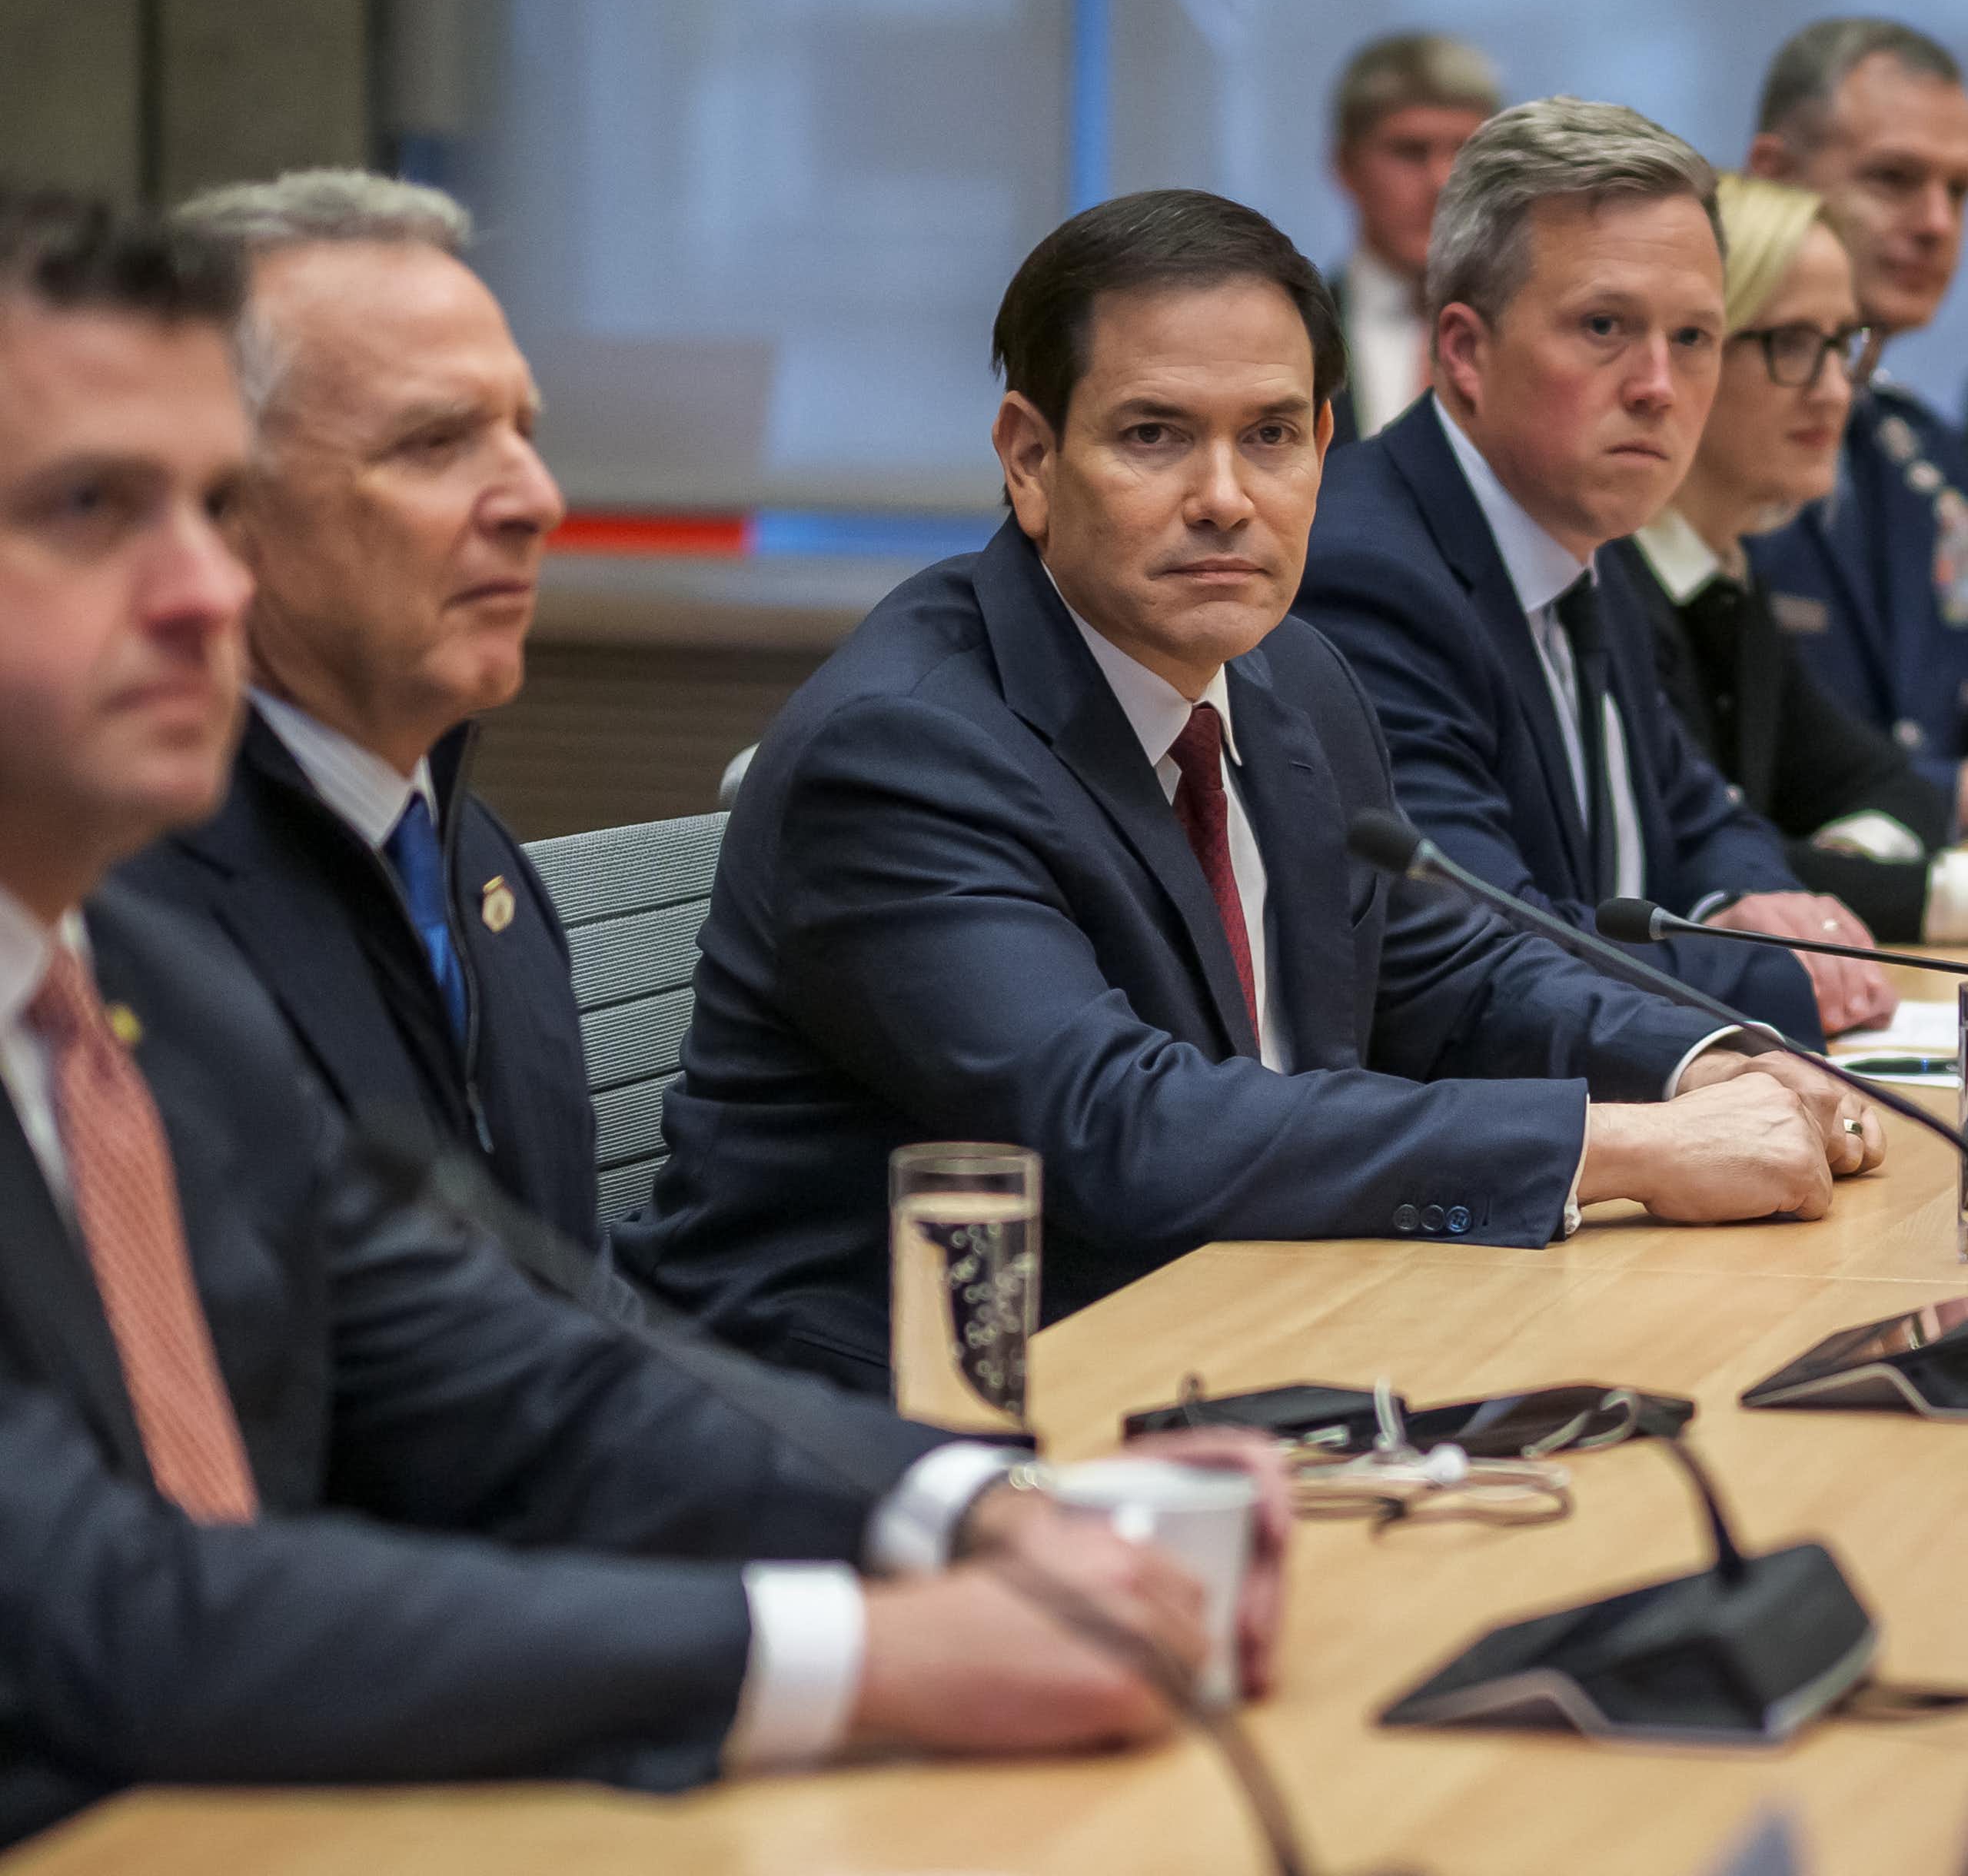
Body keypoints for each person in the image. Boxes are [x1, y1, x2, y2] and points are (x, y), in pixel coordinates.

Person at [0, 187, 1290, 1850]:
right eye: (99, 508)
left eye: (212, 503)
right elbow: (113, 1609)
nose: (201, 586)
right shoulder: (173, 933)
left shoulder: (129, 979)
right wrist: (860, 1652)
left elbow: (517, 1369)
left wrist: (984, 1508)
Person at [622, 185, 1880, 1393]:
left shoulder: (1286, 678)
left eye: (1270, 435)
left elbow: (1445, 980)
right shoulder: (905, 748)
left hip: (1245, 1325)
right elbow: (1119, 1128)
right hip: (900, 1409)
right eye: (1154, 434)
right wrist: (1620, 1148)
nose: (1225, 497)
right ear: (1030, 455)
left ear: (1325, 446)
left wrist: (1706, 1062)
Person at [1298, 98, 1897, 1046]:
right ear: (1464, 352)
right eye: (1605, 326)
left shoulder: (1585, 536)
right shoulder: (1370, 575)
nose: (1658, 386)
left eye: (1694, 337)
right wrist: (1768, 974)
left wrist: (1763, 899)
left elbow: (1703, 813)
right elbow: (1474, 956)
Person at [115, 172, 603, 1254]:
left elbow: (567, 1314)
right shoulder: (119, 912)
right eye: (435, 442)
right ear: (219, 506)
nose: (535, 499)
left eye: (524, 429)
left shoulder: (474, 850)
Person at [1608, 172, 1960, 945]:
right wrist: (1936, 893)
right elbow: (1676, 871)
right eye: (1792, 344)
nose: (1834, 390)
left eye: (1843, 346)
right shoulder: (1605, 591)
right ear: (1689, 352)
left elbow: (1891, 787)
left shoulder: (1726, 581)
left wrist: (1839, 857)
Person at [1744, 19, 1968, 810]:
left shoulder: (1933, 456)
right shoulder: (1683, 448)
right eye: (1893, 178)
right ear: (1774, 175)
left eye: (1957, 190)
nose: (1937, 224)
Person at [1327, 32, 1500, 447]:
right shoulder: (1294, 327)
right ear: (1346, 166)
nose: (1442, 180)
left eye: (1465, 152)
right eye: (1410, 151)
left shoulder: (1536, 332)